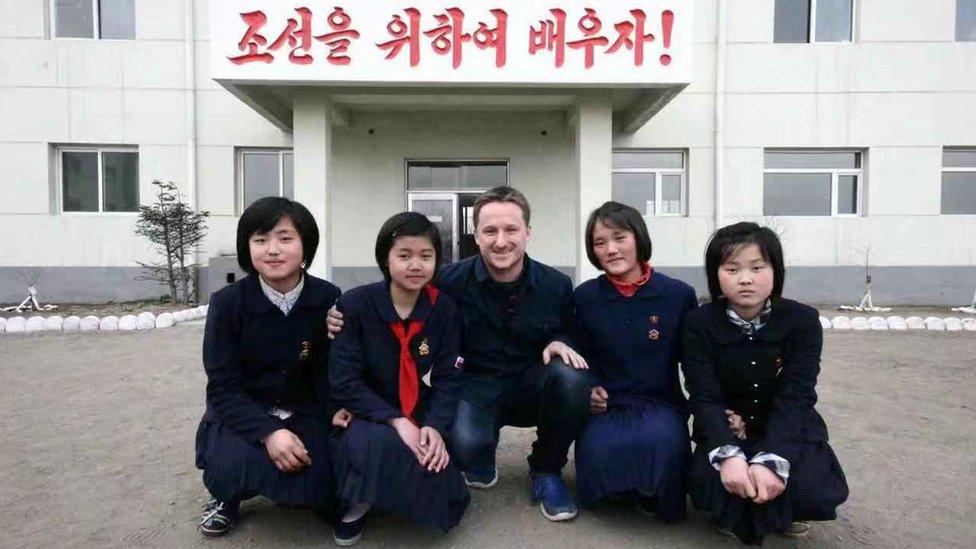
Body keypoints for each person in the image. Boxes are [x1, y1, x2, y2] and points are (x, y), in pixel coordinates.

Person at [328, 187, 591, 522]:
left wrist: (559, 339)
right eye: (490, 231)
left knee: (572, 378)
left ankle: (546, 471)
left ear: (528, 232)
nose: (500, 241)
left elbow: (568, 328)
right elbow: (396, 292)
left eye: (511, 230)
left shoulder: (557, 284)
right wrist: (338, 314)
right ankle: (479, 456)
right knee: (466, 448)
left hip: (530, 384)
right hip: (474, 386)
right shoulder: (447, 281)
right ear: (475, 235)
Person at [681, 222, 849, 545]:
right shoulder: (698, 324)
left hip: (786, 430)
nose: (746, 279)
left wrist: (772, 459)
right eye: (732, 268)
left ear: (775, 270)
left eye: (757, 267)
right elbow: (703, 396)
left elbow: (797, 396)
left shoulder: (802, 322)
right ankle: (749, 508)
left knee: (812, 485)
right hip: (728, 429)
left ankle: (782, 509)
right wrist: (728, 454)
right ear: (716, 274)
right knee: (710, 483)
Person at [195, 197, 346, 537]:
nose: (273, 250)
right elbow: (222, 387)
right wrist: (268, 432)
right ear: (247, 248)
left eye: (285, 238)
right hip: (243, 411)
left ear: (305, 244)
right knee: (231, 464)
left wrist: (333, 410)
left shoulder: (327, 297)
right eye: (260, 240)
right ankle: (225, 497)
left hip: (302, 407)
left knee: (324, 473)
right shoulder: (227, 304)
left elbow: (326, 371)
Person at [328, 212, 469, 545]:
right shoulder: (355, 304)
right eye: (404, 255)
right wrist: (396, 421)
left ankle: (399, 489)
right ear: (386, 259)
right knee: (371, 444)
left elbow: (449, 377)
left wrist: (433, 425)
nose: (415, 265)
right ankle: (359, 503)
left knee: (434, 457)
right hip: (365, 408)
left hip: (415, 402)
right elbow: (344, 381)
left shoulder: (443, 308)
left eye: (426, 256)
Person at [572, 201, 698, 522]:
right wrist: (588, 390)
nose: (611, 249)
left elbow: (696, 362)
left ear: (638, 238)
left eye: (619, 238)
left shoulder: (678, 295)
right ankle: (623, 490)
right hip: (607, 404)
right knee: (598, 454)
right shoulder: (585, 297)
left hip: (660, 403)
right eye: (600, 243)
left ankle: (654, 493)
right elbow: (577, 355)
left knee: (663, 443)